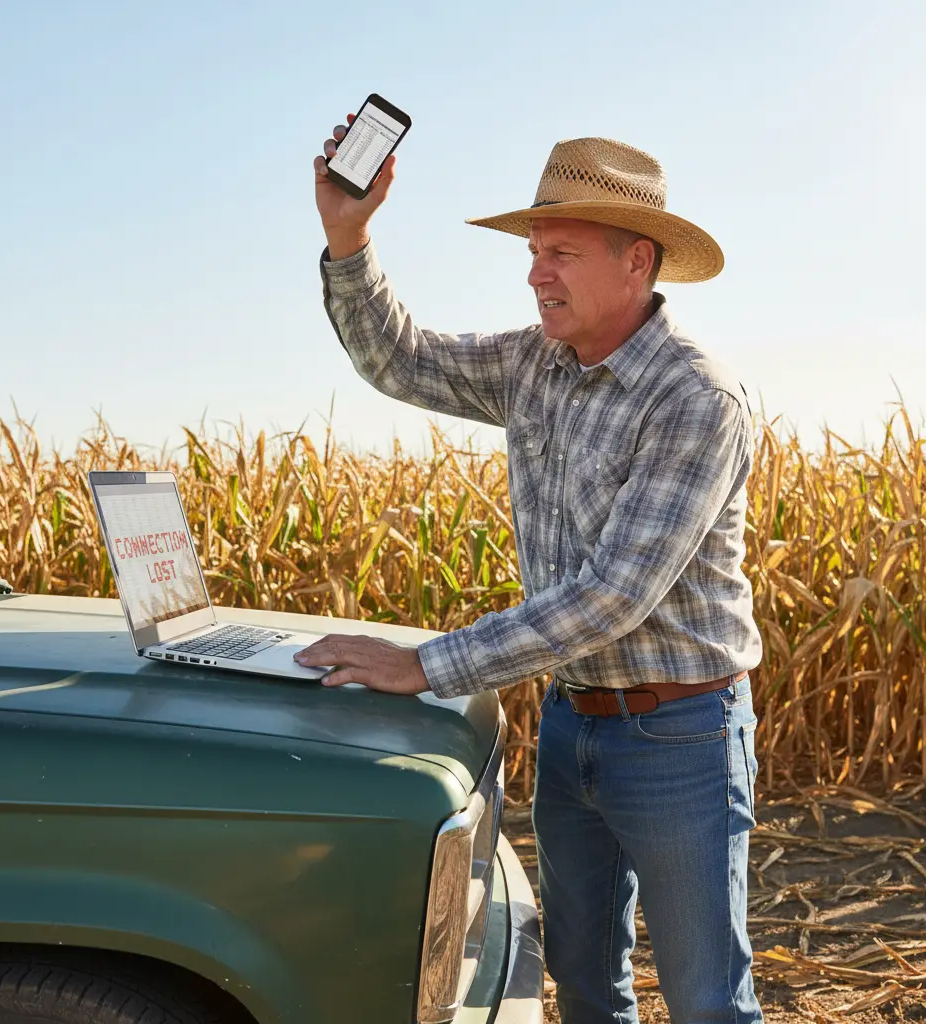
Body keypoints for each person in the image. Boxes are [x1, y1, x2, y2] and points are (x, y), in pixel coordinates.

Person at [296, 121, 764, 1023]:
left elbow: (613, 598)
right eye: (533, 251)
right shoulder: (532, 362)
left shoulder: (695, 399)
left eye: (560, 252)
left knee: (707, 1002)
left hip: (683, 738)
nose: (534, 272)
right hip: (572, 722)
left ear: (638, 262)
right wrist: (349, 237)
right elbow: (397, 359)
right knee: (584, 984)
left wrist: (424, 665)